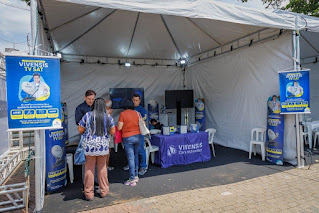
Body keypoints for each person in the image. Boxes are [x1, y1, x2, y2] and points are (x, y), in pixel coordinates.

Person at [78, 98, 115, 200]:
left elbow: (80, 129)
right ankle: (104, 191)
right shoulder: (108, 117)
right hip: (103, 146)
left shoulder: (87, 115)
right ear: (103, 106)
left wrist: (88, 131)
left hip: (90, 147)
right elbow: (113, 131)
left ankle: (89, 193)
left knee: (89, 169)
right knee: (102, 168)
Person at [118, 99, 141, 186]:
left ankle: (132, 179)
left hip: (128, 137)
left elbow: (119, 127)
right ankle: (136, 176)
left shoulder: (123, 114)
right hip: (138, 136)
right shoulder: (137, 113)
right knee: (136, 157)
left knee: (131, 158)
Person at [75, 90, 96, 185]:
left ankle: (95, 180)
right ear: (85, 97)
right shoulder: (80, 108)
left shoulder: (96, 107)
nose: (91, 101)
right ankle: (86, 183)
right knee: (86, 160)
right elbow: (78, 123)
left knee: (96, 158)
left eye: (93, 99)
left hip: (96, 137)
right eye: (89, 99)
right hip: (86, 136)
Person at [132, 94, 148, 176]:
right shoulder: (130, 109)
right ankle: (133, 165)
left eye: (136, 100)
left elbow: (144, 122)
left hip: (139, 133)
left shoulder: (142, 110)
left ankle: (143, 166)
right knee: (132, 151)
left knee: (141, 150)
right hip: (131, 133)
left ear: (139, 100)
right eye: (133, 100)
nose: (135, 102)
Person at [105, 99, 114, 171]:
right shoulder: (106, 115)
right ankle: (105, 166)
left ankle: (106, 166)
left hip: (108, 134)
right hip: (107, 135)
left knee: (108, 150)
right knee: (107, 151)